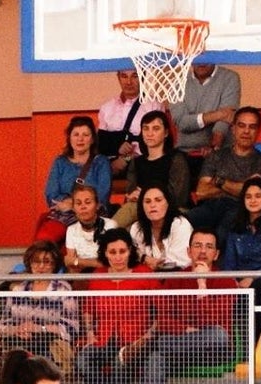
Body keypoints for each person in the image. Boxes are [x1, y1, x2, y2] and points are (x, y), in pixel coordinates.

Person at [140, 230, 237, 384]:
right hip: (179, 350)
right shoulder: (175, 279)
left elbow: (215, 322)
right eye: (198, 246)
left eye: (209, 247)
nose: (203, 251)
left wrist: (202, 283)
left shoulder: (226, 280)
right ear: (188, 251)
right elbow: (163, 319)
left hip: (212, 350)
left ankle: (153, 345)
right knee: (155, 358)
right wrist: (184, 330)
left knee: (218, 335)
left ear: (216, 254)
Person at [76, 228, 161, 384]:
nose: (118, 257)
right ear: (105, 253)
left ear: (130, 251)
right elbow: (88, 308)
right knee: (82, 360)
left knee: (119, 362)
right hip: (104, 341)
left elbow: (161, 310)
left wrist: (147, 337)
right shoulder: (98, 276)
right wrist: (90, 333)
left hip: (136, 343)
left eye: (122, 251)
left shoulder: (144, 273)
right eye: (112, 252)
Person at [0, 240, 80, 379]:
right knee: (13, 360)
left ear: (54, 265)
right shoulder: (19, 289)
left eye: (47, 262)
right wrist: (18, 329)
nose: (41, 266)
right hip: (20, 344)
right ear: (29, 263)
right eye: (36, 261)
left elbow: (71, 327)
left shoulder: (63, 289)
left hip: (49, 345)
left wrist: (40, 328)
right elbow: (2, 326)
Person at [186, 107, 261, 244]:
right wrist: (241, 186)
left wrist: (219, 181)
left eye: (252, 127)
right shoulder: (216, 156)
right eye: (241, 126)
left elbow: (251, 195)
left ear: (259, 131)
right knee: (183, 221)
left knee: (222, 234)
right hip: (210, 206)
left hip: (240, 208)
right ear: (233, 129)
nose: (246, 131)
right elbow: (201, 192)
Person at [35, 116, 112, 244]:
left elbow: (102, 195)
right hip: (63, 214)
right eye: (76, 134)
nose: (80, 139)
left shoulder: (101, 162)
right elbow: (51, 194)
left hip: (91, 215)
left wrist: (75, 204)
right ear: (69, 138)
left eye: (85, 135)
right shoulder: (60, 162)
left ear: (92, 139)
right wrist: (67, 205)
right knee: (45, 239)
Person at [222, 177, 261, 337]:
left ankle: (257, 348)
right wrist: (233, 281)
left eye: (258, 196)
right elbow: (229, 262)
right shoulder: (236, 228)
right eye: (248, 197)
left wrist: (253, 278)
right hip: (239, 282)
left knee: (258, 292)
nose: (253, 200)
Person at [114, 111, 190, 227]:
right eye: (145, 129)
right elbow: (131, 193)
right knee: (126, 230)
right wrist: (132, 196)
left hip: (174, 209)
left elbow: (179, 197)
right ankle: (103, 238)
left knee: (130, 210)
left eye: (155, 128)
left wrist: (145, 196)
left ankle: (103, 236)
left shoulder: (176, 158)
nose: (149, 133)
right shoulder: (136, 161)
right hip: (142, 209)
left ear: (166, 133)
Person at [96, 68, 163, 178]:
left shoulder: (153, 106)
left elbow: (158, 143)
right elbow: (102, 144)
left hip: (144, 164)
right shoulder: (106, 108)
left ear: (143, 77)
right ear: (118, 78)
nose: (129, 82)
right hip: (109, 165)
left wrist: (126, 159)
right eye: (124, 76)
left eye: (134, 76)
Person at [168, 63, 241, 159]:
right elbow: (181, 122)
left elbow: (226, 118)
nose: (201, 63)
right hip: (184, 152)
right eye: (198, 59)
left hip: (220, 152)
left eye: (206, 59)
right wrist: (217, 115)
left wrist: (214, 145)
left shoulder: (230, 78)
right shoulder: (177, 82)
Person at [129, 186, 193, 271]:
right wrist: (144, 258)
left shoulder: (180, 224)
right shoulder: (136, 228)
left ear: (168, 203)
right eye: (147, 202)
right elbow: (131, 257)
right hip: (147, 279)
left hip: (177, 279)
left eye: (158, 200)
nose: (152, 205)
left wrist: (149, 263)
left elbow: (181, 262)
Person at [62, 184, 117, 273]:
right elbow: (70, 265)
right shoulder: (71, 230)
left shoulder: (110, 226)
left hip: (107, 274)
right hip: (82, 278)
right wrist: (93, 262)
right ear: (73, 208)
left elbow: (111, 262)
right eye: (78, 203)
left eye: (88, 202)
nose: (83, 207)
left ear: (97, 205)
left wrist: (79, 261)